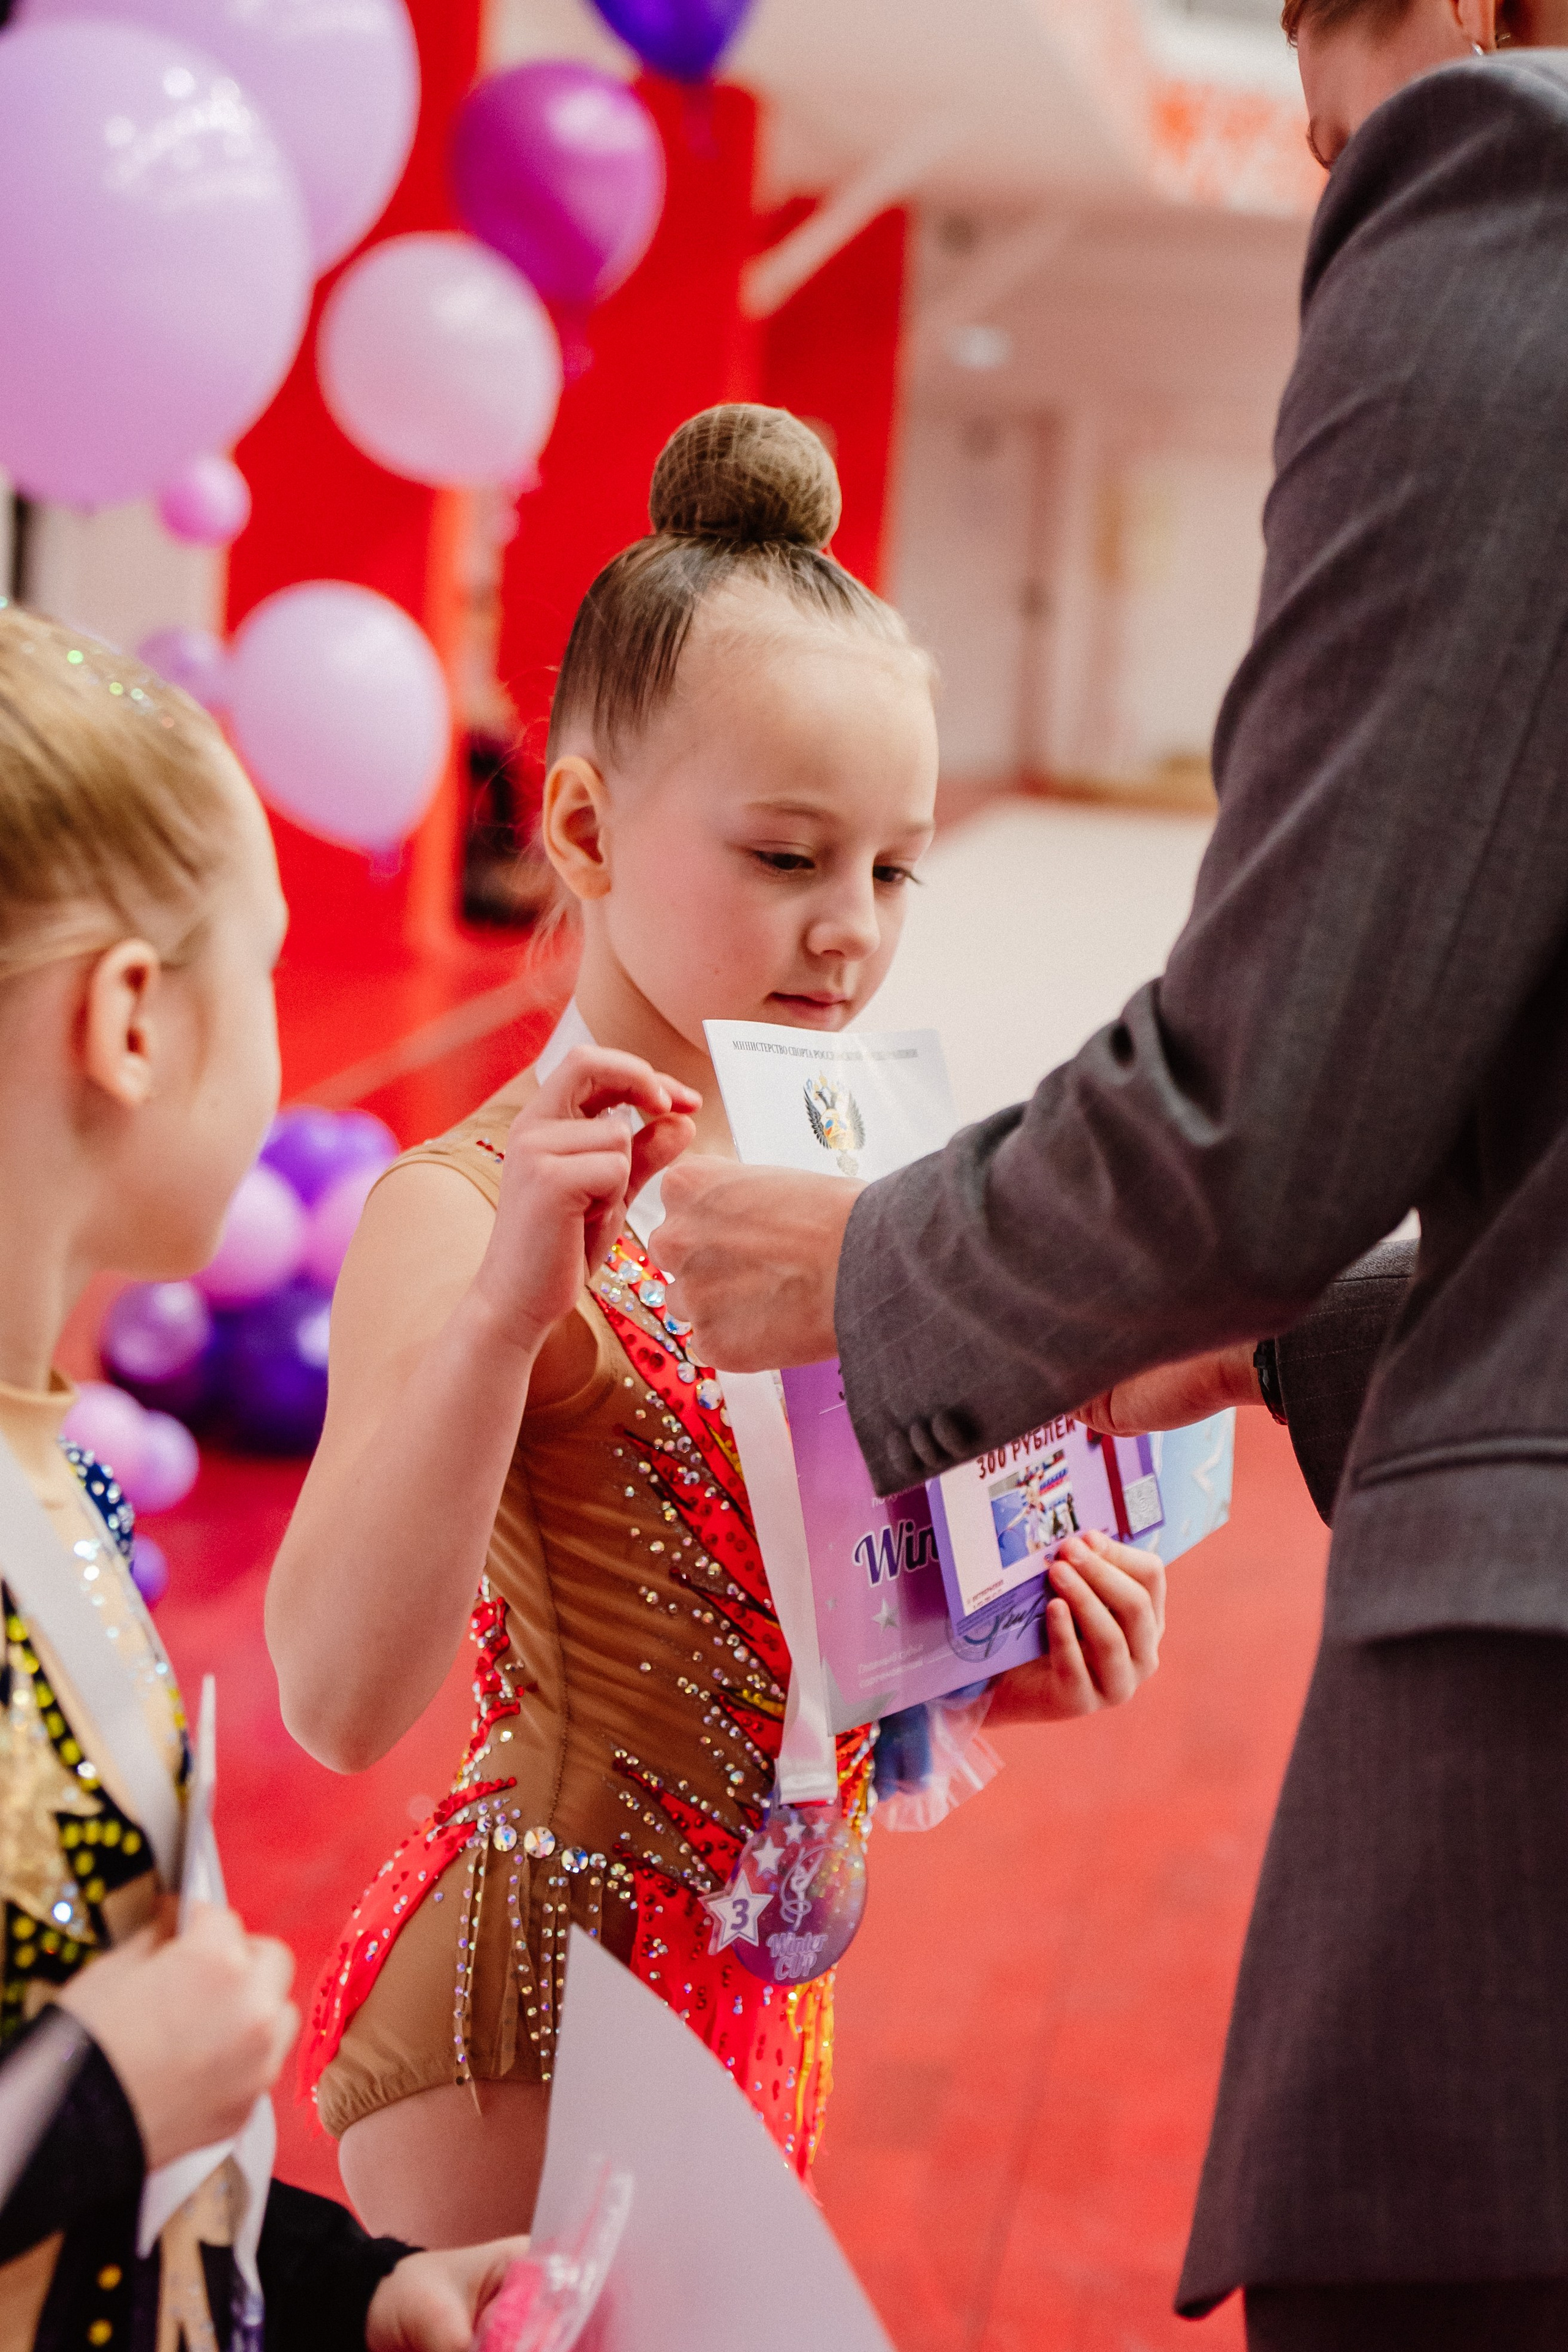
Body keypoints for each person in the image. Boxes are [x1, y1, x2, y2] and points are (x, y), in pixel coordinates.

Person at [655, 21, 1568, 2351]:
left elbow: (1265, 1108)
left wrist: (879, 1275)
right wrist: (1268, 1344)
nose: (1324, 161)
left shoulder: (1511, 193)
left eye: (1332, 102)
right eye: (781, 852)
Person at [264, 404, 1169, 2252]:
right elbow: (340, 1700)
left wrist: (999, 1657)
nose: (848, 933)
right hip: (530, 2021)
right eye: (784, 859)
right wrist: (514, 1306)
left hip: (760, 1999)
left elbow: (802, 1615)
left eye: (892, 870)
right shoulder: (464, 1205)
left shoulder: (854, 1179)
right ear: (584, 827)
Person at [0, 599, 534, 2351]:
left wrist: (350, 2294)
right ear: (135, 1019)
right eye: (276, 966)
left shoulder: (47, 1467)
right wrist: (88, 2098)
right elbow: (97, 2093)